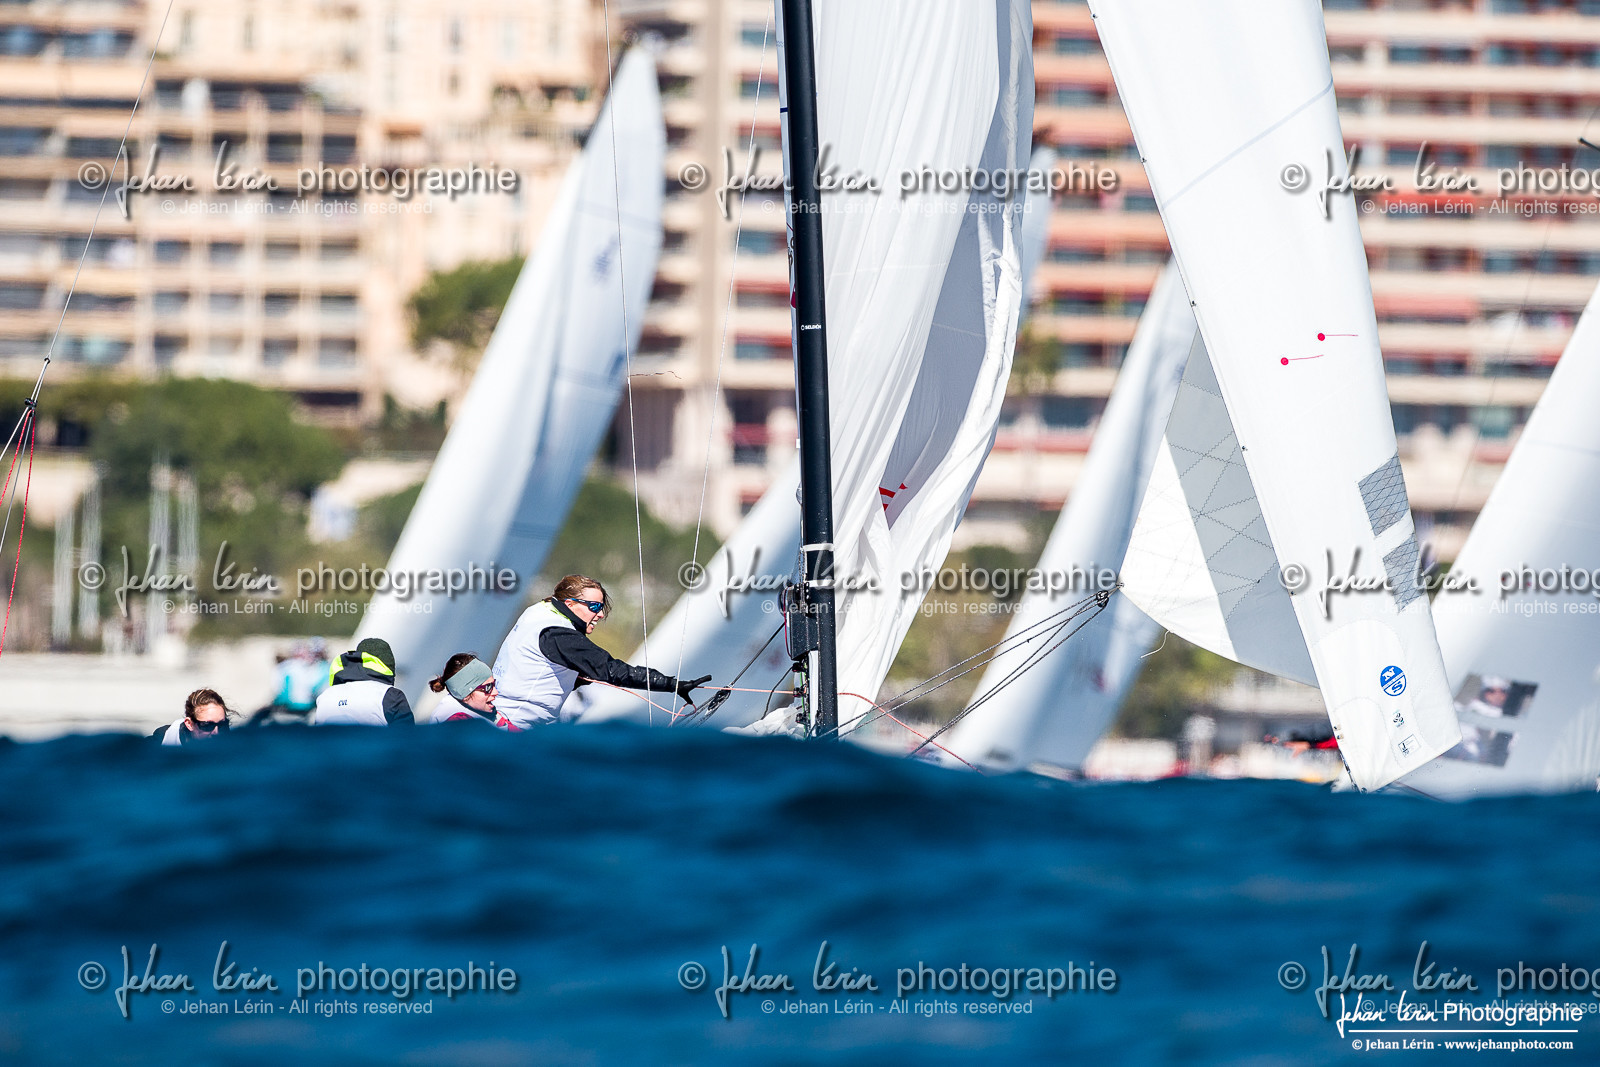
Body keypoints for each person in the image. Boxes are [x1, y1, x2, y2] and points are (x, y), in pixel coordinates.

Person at [492, 574, 710, 728]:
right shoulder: (560, 634)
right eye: (594, 607)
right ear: (569, 604)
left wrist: (576, 678)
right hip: (518, 729)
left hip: (501, 719)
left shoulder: (539, 612)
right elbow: (612, 670)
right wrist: (672, 685)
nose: (600, 615)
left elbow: (536, 668)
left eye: (602, 608)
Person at [312, 637, 414, 726]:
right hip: (376, 748)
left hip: (331, 748)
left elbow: (317, 739)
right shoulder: (389, 694)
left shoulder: (325, 696)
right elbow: (407, 738)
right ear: (388, 666)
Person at [427, 653, 518, 730]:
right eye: (488, 688)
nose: (495, 692)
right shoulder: (457, 723)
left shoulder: (483, 711)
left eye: (494, 684)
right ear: (465, 694)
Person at [153, 688, 232, 746]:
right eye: (207, 725)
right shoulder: (161, 740)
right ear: (189, 724)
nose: (216, 732)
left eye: (222, 725)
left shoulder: (234, 745)